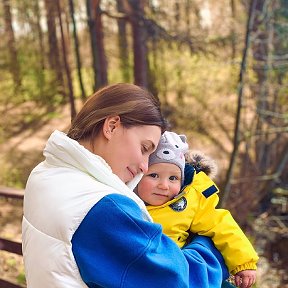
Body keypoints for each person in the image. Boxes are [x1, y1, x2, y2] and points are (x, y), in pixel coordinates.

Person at [22, 83, 229, 288]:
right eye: (144, 148)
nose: (144, 166)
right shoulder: (102, 207)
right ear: (111, 126)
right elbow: (179, 281)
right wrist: (210, 245)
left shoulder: (45, 173)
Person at [136, 131, 259, 288]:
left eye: (173, 178)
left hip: (176, 270)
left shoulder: (189, 202)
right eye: (153, 175)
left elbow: (221, 225)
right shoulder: (123, 200)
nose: (164, 185)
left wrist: (244, 262)